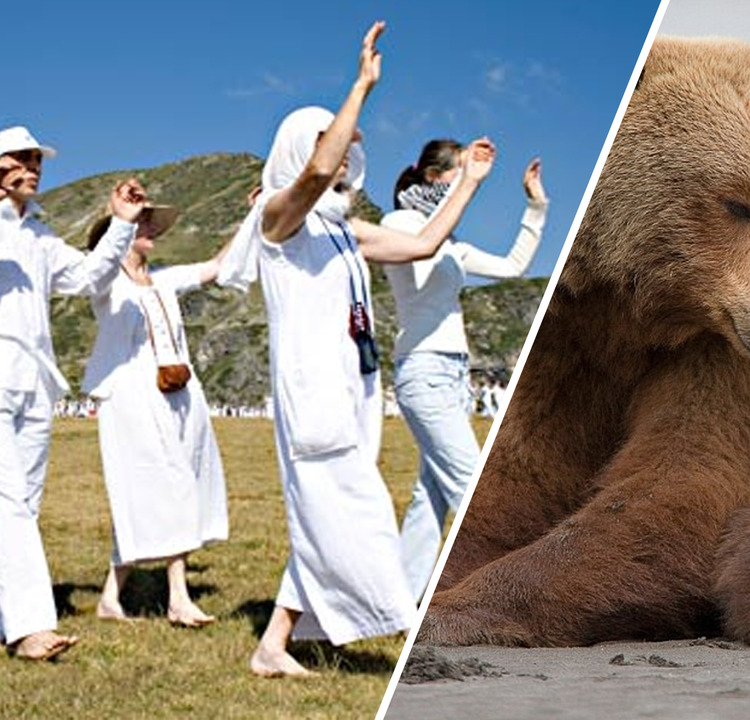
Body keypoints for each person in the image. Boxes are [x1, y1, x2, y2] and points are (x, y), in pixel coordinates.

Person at [218, 21, 494, 677]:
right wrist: (362, 86)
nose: (340, 156)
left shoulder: (342, 229)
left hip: (356, 383)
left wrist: (470, 184)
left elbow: (422, 245)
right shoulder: (279, 219)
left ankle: (279, 643)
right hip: (313, 385)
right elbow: (314, 171)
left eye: (343, 146)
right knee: (353, 505)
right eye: (328, 143)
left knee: (330, 508)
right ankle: (403, 625)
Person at [0, 126, 146, 660]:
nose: (34, 166)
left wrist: (122, 228)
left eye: (38, 158)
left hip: (36, 384)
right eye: (22, 157)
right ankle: (31, 626)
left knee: (18, 505)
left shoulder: (40, 234)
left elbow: (86, 279)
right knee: (7, 503)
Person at [383, 148, 547, 599]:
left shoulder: (451, 246)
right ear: (435, 177)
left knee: (429, 494)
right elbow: (425, 245)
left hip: (454, 373)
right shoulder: (398, 225)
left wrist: (535, 206)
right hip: (424, 368)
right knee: (469, 482)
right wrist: (468, 183)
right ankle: (508, 592)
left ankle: (400, 597)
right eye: (459, 170)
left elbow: (514, 266)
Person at [81, 202, 231, 627]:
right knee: (171, 484)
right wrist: (119, 229)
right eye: (141, 221)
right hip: (132, 394)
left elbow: (216, 266)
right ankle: (178, 598)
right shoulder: (105, 282)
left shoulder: (161, 280)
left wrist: (257, 215)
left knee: (160, 489)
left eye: (149, 222)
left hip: (179, 389)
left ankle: (111, 597)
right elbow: (97, 271)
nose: (150, 228)